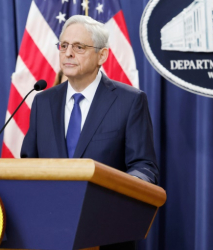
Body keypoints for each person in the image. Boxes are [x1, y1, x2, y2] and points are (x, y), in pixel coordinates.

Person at [21, 15, 159, 250]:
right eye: (63, 46)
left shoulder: (130, 101)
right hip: (49, 230)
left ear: (102, 55)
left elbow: (144, 166)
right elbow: (28, 163)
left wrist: (125, 188)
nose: (68, 53)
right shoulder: (43, 101)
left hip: (106, 231)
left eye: (79, 47)